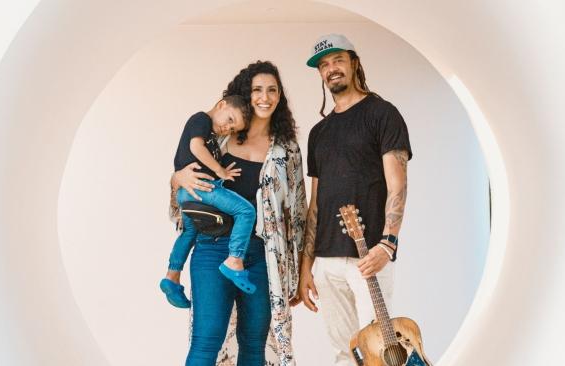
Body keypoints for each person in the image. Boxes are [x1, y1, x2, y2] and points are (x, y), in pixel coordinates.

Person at [170, 61, 306, 366]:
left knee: (254, 344)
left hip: (261, 255)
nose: (265, 97)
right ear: (246, 94)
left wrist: (299, 273)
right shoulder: (217, 135)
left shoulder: (287, 149)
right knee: (206, 341)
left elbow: (298, 213)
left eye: (272, 90)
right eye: (257, 89)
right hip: (210, 249)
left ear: (279, 96)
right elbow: (182, 179)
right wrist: (178, 178)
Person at [298, 34, 413, 365]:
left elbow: (398, 184)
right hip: (327, 262)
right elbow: (316, 203)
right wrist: (307, 267)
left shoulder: (382, 113)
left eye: (337, 60)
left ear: (354, 62)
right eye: (323, 65)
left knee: (380, 351)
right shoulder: (319, 133)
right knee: (344, 353)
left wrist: (387, 243)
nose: (331, 69)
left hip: (369, 255)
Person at [161, 95, 257, 309]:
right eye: (230, 120)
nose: (228, 128)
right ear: (221, 104)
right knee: (246, 211)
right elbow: (196, 148)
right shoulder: (201, 119)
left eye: (233, 129)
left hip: (187, 193)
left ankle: (172, 277)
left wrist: (223, 173)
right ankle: (234, 260)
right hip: (197, 188)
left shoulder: (213, 137)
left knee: (189, 232)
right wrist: (218, 169)